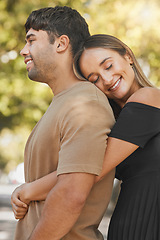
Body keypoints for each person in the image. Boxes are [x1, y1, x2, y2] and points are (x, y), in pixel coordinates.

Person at [11, 8, 115, 240]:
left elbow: (71, 195)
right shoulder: (64, 101)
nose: (23, 51)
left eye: (31, 40)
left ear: (61, 43)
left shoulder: (86, 103)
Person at [73, 34, 160, 239]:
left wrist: (32, 189)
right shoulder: (113, 122)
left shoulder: (149, 97)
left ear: (128, 56)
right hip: (130, 225)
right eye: (94, 79)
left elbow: (93, 170)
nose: (107, 79)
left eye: (108, 66)